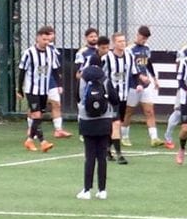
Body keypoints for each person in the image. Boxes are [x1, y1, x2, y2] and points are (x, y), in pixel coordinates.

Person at [77, 55, 118, 200]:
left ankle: (87, 190)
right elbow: (115, 99)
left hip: (87, 120)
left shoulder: (83, 77)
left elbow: (79, 97)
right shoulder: (105, 78)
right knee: (102, 156)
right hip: (104, 120)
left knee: (89, 157)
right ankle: (102, 190)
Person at [18, 25, 59, 153]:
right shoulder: (29, 53)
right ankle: (40, 141)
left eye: (48, 40)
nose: (46, 42)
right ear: (38, 38)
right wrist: (19, 89)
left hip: (44, 90)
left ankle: (32, 140)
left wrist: (59, 85)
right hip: (32, 89)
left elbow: (56, 70)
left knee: (38, 115)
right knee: (36, 115)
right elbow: (22, 71)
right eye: (44, 39)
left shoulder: (51, 52)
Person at [122, 25, 164, 147]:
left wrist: (154, 78)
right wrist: (140, 77)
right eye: (142, 37)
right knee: (128, 111)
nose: (144, 40)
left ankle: (154, 138)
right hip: (132, 85)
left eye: (146, 38)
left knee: (149, 111)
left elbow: (148, 64)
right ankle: (124, 136)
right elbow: (128, 67)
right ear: (138, 34)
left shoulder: (146, 49)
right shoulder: (129, 49)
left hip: (145, 85)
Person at [102, 32, 136, 165]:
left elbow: (134, 73)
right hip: (110, 97)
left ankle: (107, 150)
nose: (122, 43)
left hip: (123, 96)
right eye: (119, 41)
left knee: (116, 124)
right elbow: (100, 74)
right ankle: (119, 154)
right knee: (115, 124)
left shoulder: (129, 56)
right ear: (114, 43)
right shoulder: (107, 58)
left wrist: (141, 81)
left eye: (124, 41)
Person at [44, 27, 72, 139]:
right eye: (48, 35)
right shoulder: (34, 51)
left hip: (52, 81)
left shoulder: (54, 50)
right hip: (38, 83)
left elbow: (56, 66)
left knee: (56, 104)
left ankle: (58, 130)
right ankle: (32, 129)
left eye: (52, 34)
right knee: (36, 106)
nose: (50, 37)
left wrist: (59, 81)